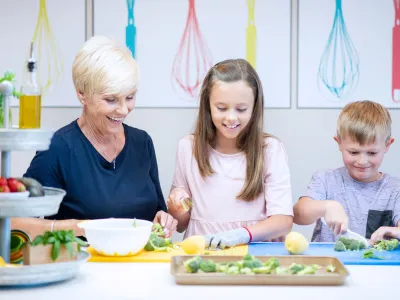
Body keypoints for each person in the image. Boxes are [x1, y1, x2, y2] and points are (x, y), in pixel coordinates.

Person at [12, 35, 177, 238]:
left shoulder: (142, 143)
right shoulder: (58, 149)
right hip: (83, 265)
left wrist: (162, 218)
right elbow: (16, 223)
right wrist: (78, 227)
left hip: (140, 266)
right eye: (111, 99)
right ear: (82, 93)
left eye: (130, 97)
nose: (123, 110)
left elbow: (156, 212)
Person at [167, 59, 294, 249]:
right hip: (201, 254)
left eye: (241, 109)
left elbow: (283, 221)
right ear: (207, 105)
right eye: (221, 108)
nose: (231, 117)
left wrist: (242, 235)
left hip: (254, 255)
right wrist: (176, 207)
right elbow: (181, 223)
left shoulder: (270, 149)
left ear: (254, 107)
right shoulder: (188, 147)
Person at [293, 100, 400, 244]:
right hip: (329, 263)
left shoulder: (395, 190)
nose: (362, 161)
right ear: (339, 143)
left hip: (375, 265)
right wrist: (327, 206)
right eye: (354, 152)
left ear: (387, 145)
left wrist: (393, 231)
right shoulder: (325, 180)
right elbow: (298, 214)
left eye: (372, 153)